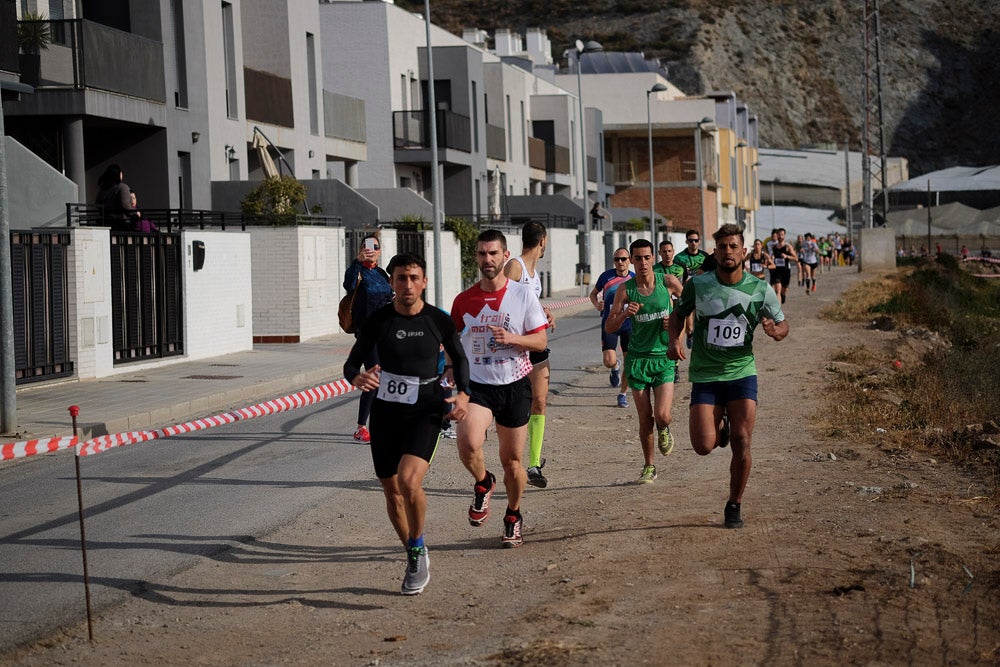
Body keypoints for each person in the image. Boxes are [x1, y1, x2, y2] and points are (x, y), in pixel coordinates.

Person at [344, 253, 470, 595]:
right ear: (392, 282)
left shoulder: (438, 321)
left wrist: (464, 395)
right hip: (386, 413)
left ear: (424, 281)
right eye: (401, 278)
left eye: (414, 277)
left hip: (426, 410)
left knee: (408, 480)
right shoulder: (379, 320)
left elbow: (460, 359)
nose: (408, 284)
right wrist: (357, 377)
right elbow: (352, 363)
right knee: (391, 489)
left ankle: (416, 545)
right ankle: (416, 552)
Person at [667, 223, 789, 529]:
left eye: (734, 246)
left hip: (741, 372)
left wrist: (776, 331)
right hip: (706, 375)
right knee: (703, 446)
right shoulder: (698, 284)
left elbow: (782, 323)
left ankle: (734, 504)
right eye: (722, 247)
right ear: (715, 252)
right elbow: (678, 314)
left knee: (742, 440)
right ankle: (719, 424)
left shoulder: (759, 288)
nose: (728, 252)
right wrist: (674, 339)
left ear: (744, 251)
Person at [451, 229, 548, 548]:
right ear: (476, 257)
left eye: (493, 254)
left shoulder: (522, 296)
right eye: (481, 254)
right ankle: (483, 483)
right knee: (467, 443)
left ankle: (513, 515)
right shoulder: (464, 301)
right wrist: (450, 379)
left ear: (505, 256)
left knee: (512, 462)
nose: (487, 259)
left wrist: (514, 340)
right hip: (478, 387)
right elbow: (453, 345)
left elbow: (541, 341)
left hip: (514, 385)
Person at [604, 239, 683, 484]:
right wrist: (626, 313)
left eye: (646, 257)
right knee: (645, 418)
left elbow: (690, 306)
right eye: (637, 258)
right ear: (631, 261)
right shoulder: (625, 291)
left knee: (662, 415)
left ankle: (665, 427)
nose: (643, 263)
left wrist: (676, 323)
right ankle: (649, 466)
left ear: (653, 258)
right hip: (638, 360)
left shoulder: (667, 282)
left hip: (663, 358)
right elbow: (609, 325)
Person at [503, 221, 555, 488]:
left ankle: (534, 465)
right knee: (516, 406)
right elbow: (501, 300)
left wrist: (543, 314)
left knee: (541, 402)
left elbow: (528, 303)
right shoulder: (515, 267)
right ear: (542, 241)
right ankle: (512, 462)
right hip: (515, 349)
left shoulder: (534, 274)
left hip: (536, 346)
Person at [343, 233, 393, 443]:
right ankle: (361, 427)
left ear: (380, 252)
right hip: (367, 335)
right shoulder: (358, 271)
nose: (370, 250)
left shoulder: (382, 273)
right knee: (374, 378)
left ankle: (383, 423)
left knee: (387, 379)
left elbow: (391, 296)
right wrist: (357, 261)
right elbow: (349, 286)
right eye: (366, 247)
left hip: (387, 333)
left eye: (374, 247)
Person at [589, 248, 634, 408]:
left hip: (629, 324)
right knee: (609, 361)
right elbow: (593, 294)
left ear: (629, 260)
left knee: (630, 362)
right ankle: (615, 367)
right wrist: (597, 305)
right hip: (610, 323)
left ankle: (622, 394)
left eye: (623, 259)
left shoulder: (635, 279)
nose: (620, 262)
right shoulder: (606, 276)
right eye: (617, 259)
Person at [95, 164, 136, 231]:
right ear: (119, 174)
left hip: (105, 221)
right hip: (120, 222)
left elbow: (97, 204)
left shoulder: (103, 189)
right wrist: (135, 213)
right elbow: (125, 205)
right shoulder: (122, 187)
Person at [766, 228, 797, 304]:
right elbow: (773, 256)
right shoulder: (774, 247)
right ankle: (778, 311)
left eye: (782, 235)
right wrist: (771, 259)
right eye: (779, 235)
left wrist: (787, 256)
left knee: (784, 290)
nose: (780, 236)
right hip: (777, 271)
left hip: (786, 271)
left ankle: (783, 296)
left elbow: (796, 258)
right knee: (777, 291)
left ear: (784, 236)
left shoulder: (788, 246)